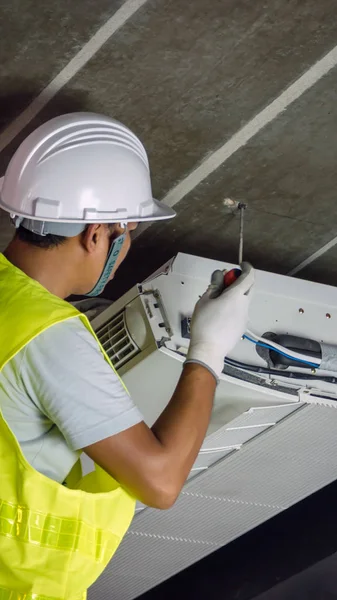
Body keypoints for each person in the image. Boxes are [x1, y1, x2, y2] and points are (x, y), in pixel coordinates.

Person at [0, 112, 254, 599]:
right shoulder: (48, 336)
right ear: (96, 234)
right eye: (128, 230)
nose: (127, 244)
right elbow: (159, 483)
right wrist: (208, 352)